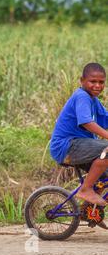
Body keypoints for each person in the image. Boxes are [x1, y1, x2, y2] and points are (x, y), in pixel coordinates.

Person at [50, 62, 108, 206]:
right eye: (93, 81)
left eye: (101, 82)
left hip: (78, 146)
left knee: (104, 177)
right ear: (82, 81)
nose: (97, 86)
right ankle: (86, 189)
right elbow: (86, 122)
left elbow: (106, 119)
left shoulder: (93, 100)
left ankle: (88, 211)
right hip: (66, 147)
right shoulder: (82, 96)